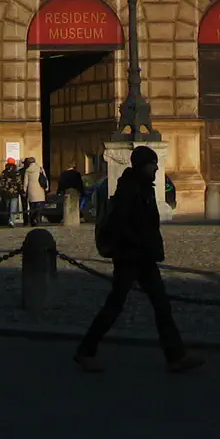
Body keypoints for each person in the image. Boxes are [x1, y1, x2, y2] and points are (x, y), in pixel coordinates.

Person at [74, 146, 200, 373]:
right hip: (130, 257)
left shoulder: (143, 187)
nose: (156, 168)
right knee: (116, 305)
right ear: (143, 166)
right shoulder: (129, 189)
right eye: (152, 164)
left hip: (143, 256)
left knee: (161, 305)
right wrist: (139, 244)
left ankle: (175, 356)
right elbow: (123, 224)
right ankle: (86, 351)